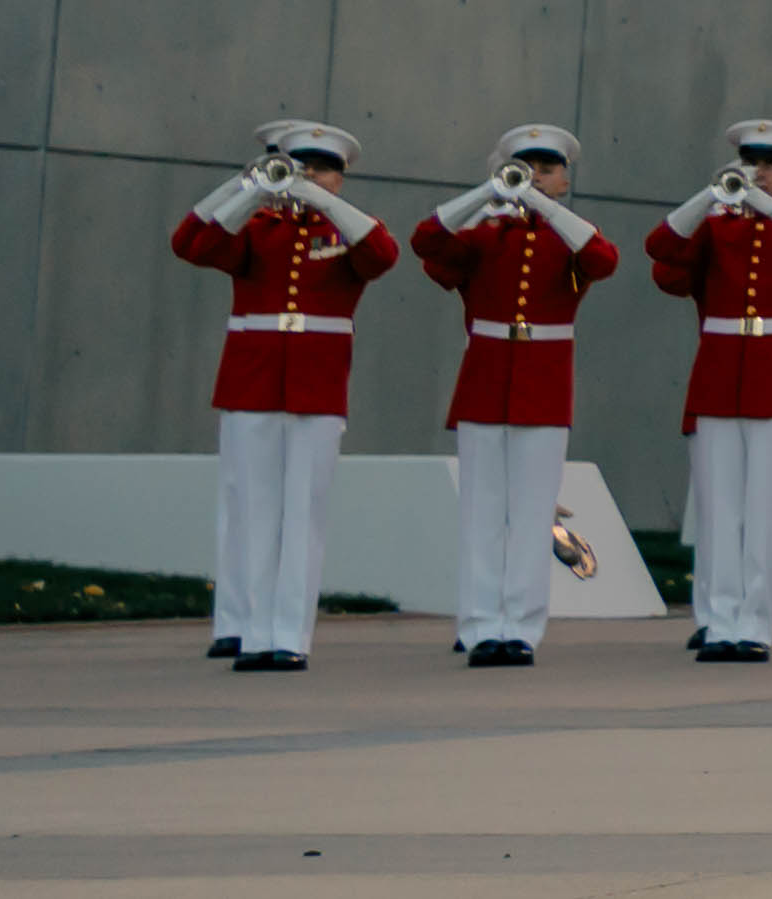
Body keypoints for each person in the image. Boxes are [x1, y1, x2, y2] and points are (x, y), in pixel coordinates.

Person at [173, 119, 388, 670]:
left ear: (339, 179)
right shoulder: (258, 226)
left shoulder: (345, 230)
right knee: (256, 512)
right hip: (253, 380)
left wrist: (315, 197)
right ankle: (252, 634)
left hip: (316, 385)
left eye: (322, 169)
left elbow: (381, 254)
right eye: (302, 166)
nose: (309, 176)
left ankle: (288, 638)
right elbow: (191, 243)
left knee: (303, 516)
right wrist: (246, 188)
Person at [411, 125, 613, 666]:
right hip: (484, 384)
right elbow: (426, 243)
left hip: (544, 389)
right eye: (526, 167)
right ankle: (480, 626)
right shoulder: (484, 234)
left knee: (529, 518)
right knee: (482, 514)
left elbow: (602, 258)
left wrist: (542, 207)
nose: (536, 177)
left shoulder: (568, 236)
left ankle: (520, 628)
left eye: (548, 169)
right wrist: (488, 196)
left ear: (564, 180)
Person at [649, 117, 772, 663]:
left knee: (763, 512)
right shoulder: (714, 224)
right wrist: (711, 197)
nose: (758, 172)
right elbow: (660, 249)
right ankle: (717, 621)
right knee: (718, 509)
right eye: (750, 161)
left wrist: (768, 205)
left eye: (770, 163)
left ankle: (753, 625)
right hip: (718, 376)